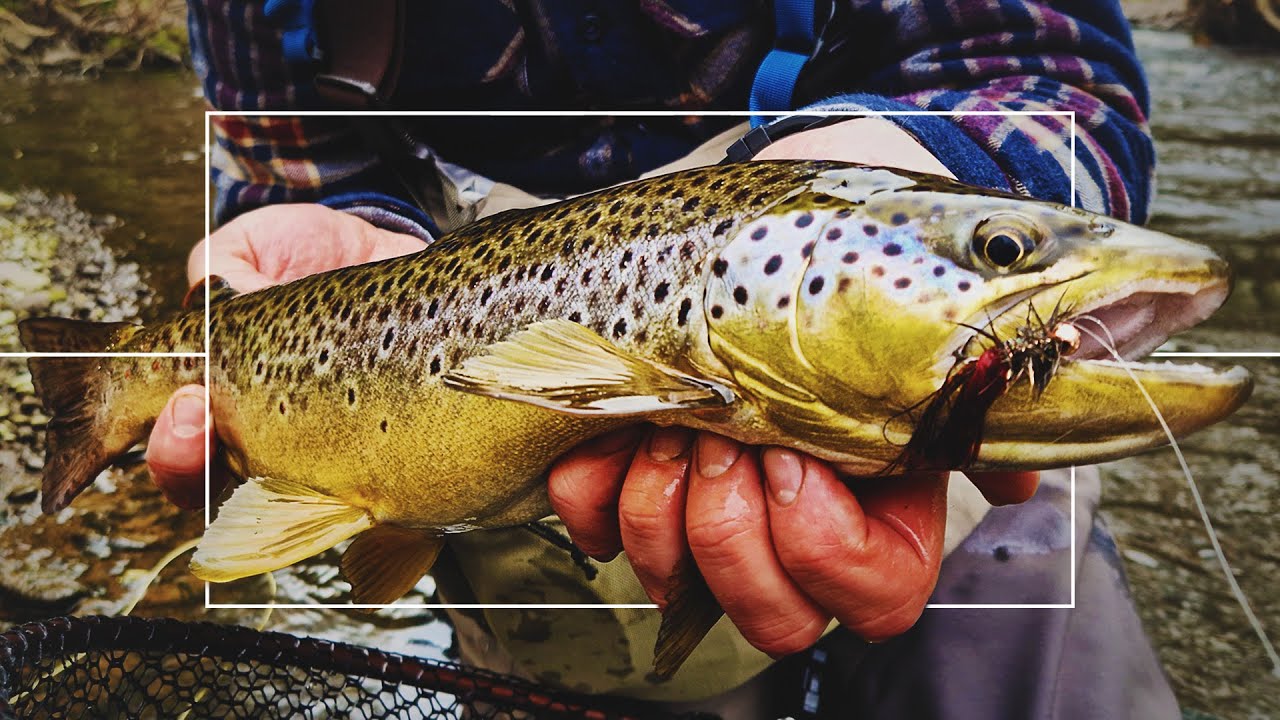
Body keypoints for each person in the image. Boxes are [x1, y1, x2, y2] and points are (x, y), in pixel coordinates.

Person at [150, 0, 1180, 715]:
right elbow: (296, 165)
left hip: (896, 324)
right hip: (497, 459)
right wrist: (333, 231)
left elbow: (1049, 85)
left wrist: (911, 179)